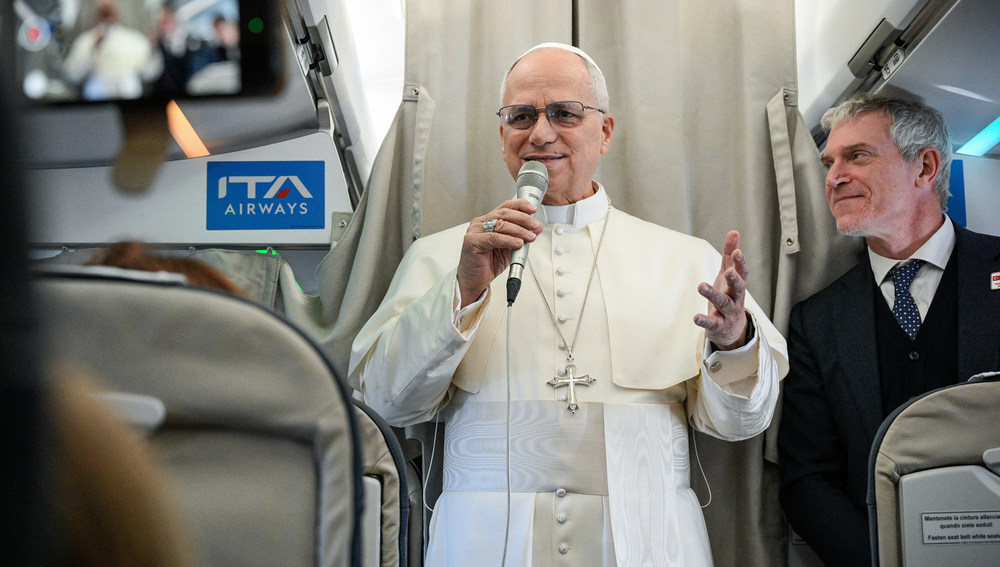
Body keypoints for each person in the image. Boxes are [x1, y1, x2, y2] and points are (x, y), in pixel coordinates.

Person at [350, 42, 788, 566]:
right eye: (521, 116)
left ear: (604, 131)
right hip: (484, 542)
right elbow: (386, 403)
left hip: (650, 537)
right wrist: (462, 294)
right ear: (502, 134)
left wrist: (734, 343)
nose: (540, 133)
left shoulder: (685, 259)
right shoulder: (442, 254)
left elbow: (744, 424)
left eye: (564, 113)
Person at [777, 93, 1000, 566]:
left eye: (857, 156)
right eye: (829, 162)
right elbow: (808, 479)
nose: (834, 177)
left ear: (924, 168)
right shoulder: (816, 322)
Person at [63, 0, 154, 101]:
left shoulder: (134, 39)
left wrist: (153, 49)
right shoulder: (86, 40)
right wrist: (94, 47)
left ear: (117, 13)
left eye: (110, 11)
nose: (107, 15)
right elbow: (73, 74)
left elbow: (149, 72)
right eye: (103, 11)